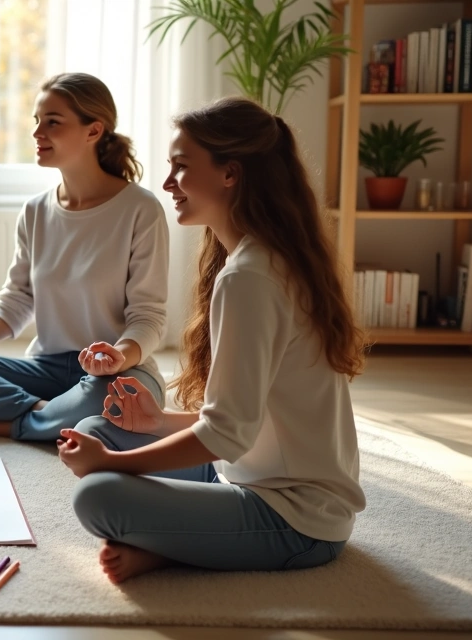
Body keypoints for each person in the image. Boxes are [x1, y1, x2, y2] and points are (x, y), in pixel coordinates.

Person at [61, 96, 367, 584]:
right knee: (97, 429)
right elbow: (252, 422)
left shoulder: (251, 277)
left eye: (181, 167)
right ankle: (180, 539)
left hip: (296, 522)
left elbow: (227, 433)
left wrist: (117, 464)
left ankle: (175, 547)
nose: (166, 183)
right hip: (246, 475)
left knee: (96, 493)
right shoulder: (265, 261)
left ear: (230, 174)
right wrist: (157, 420)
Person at [0, 72, 168, 441]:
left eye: (52, 122)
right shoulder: (36, 211)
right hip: (46, 370)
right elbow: (13, 310)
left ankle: (6, 422)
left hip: (116, 372)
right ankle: (49, 416)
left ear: (93, 131)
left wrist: (119, 355)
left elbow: (148, 317)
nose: (37, 134)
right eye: (37, 122)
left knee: (123, 398)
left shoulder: (140, 209)